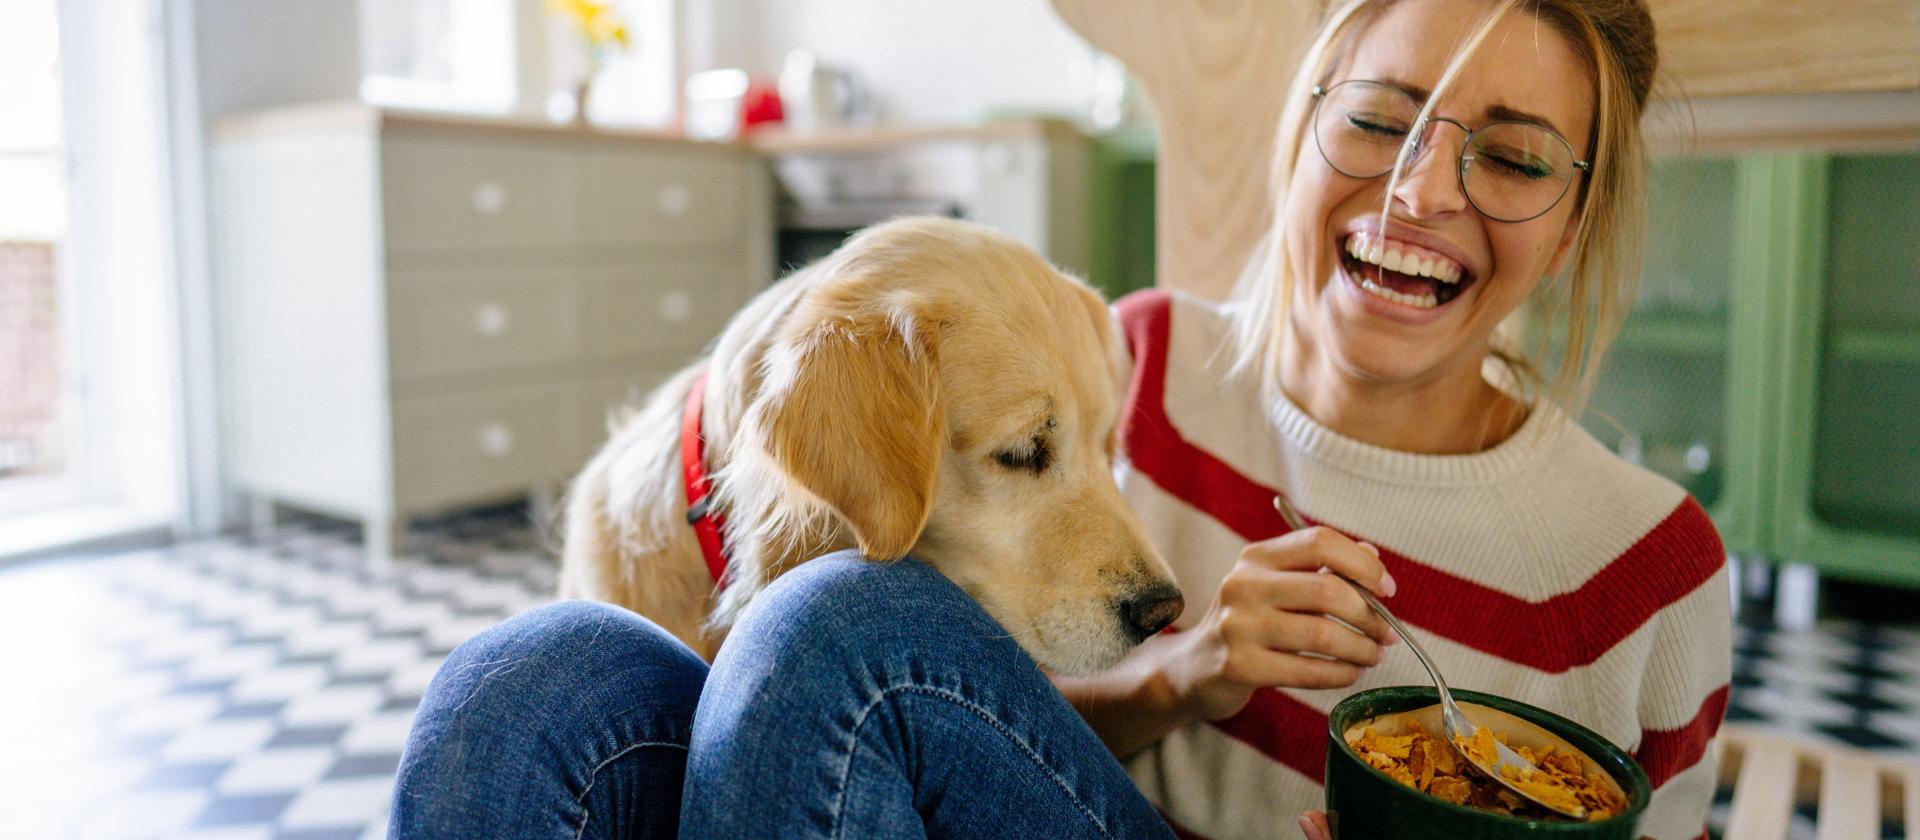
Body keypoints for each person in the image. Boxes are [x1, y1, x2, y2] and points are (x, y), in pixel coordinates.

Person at [389, 0, 1730, 837]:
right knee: (527, 683)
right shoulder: (1117, 354)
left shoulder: (1648, 570)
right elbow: (954, 723)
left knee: (830, 624)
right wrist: (1185, 674)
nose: (1421, 192)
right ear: (1303, 131)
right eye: (1382, 121)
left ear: (1579, 217)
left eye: (1510, 157)